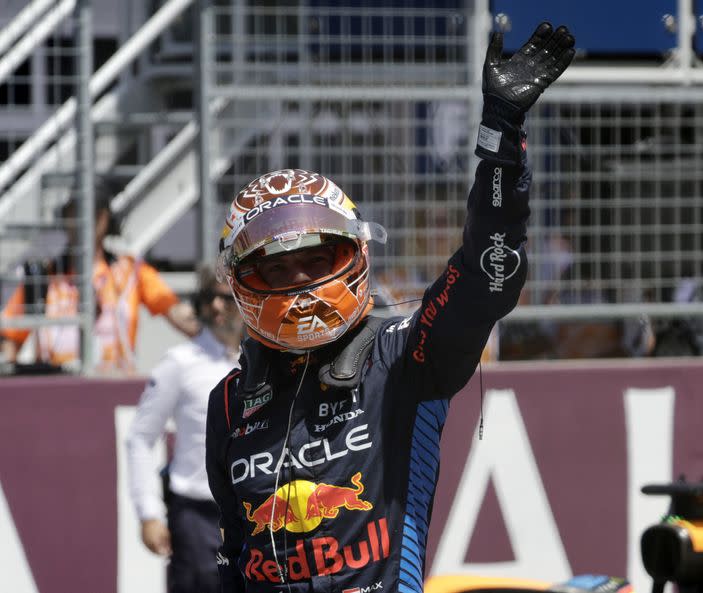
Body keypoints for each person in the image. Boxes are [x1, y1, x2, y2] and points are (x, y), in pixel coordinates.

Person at [205, 22, 575, 592]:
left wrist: (502, 133)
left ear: (356, 252)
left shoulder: (403, 358)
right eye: (276, 269)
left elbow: (489, 275)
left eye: (316, 260)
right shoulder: (227, 405)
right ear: (240, 282)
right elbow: (235, 556)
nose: (299, 283)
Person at [126, 265, 244, 593]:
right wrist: (148, 512)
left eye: (227, 298)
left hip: (253, 513)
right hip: (196, 517)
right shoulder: (179, 362)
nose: (217, 307)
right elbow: (140, 437)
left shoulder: (262, 362)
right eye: (210, 299)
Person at [0, 181, 199, 374]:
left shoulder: (130, 272)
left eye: (92, 215)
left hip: (114, 391)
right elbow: (9, 345)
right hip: (54, 393)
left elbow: (179, 315)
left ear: (106, 219)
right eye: (75, 213)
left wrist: (219, 325)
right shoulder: (43, 275)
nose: (82, 223)